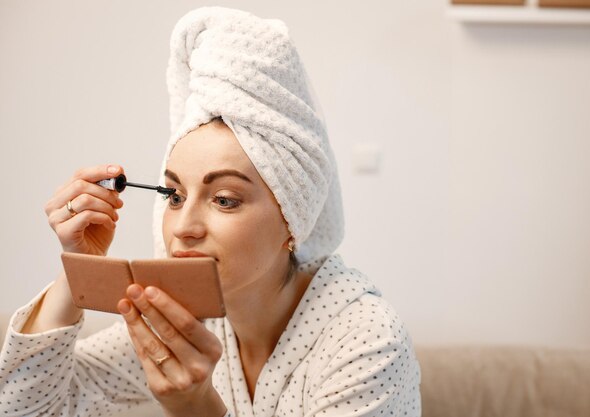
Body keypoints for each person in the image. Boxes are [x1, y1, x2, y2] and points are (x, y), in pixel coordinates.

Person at [0, 6, 420, 417]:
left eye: (224, 200)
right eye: (175, 195)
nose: (183, 228)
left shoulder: (365, 341)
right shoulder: (194, 312)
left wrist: (196, 408)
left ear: (292, 219)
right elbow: (26, 408)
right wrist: (79, 269)